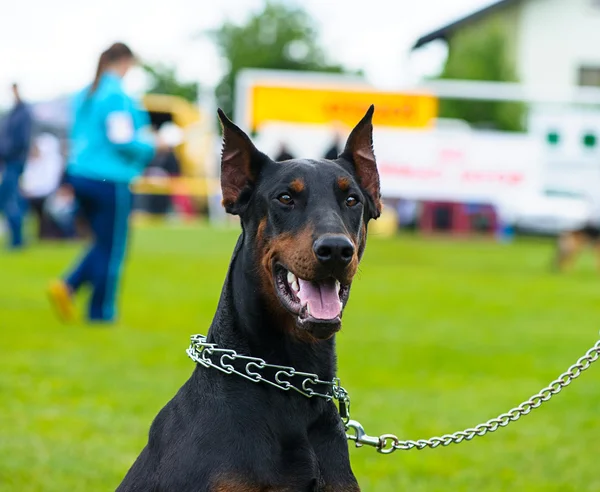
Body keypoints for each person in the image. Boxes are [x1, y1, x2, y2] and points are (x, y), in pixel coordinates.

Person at [48, 42, 159, 324]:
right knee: (112, 249)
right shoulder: (116, 95)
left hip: (80, 175)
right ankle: (100, 312)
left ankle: (69, 286)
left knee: (101, 243)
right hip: (109, 179)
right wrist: (151, 145)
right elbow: (121, 139)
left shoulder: (85, 94)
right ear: (124, 62)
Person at [0, 83, 33, 249]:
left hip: (14, 161)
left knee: (10, 199)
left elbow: (20, 141)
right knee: (12, 199)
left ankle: (17, 240)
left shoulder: (22, 113)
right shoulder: (13, 113)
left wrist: (6, 153)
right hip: (9, 161)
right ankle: (17, 239)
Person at [21, 132, 68, 240]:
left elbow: (51, 184)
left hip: (49, 195)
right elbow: (27, 180)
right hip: (33, 195)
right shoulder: (33, 162)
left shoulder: (54, 162)